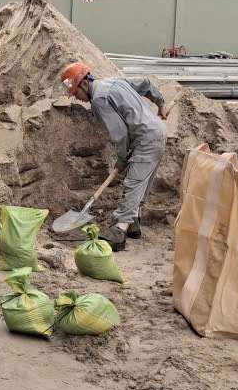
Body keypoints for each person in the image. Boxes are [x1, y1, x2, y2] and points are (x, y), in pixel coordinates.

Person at [58, 62, 168, 250]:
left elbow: (120, 134)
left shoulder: (99, 100)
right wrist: (161, 103)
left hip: (145, 138)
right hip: (155, 133)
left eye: (75, 92)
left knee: (133, 183)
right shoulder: (113, 82)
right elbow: (146, 84)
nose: (77, 98)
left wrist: (122, 157)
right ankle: (134, 225)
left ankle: (119, 231)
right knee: (140, 181)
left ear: (84, 84)